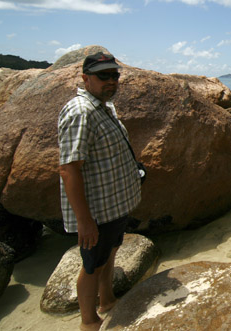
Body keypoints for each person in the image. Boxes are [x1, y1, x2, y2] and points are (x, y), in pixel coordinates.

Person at [58, 52, 142, 331]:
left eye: (114, 75)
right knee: (92, 265)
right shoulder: (80, 112)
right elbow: (69, 169)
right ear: (85, 79)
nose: (111, 81)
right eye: (103, 76)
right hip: (97, 210)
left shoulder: (104, 107)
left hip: (114, 204)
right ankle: (89, 321)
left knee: (110, 253)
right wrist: (84, 220)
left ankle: (106, 300)